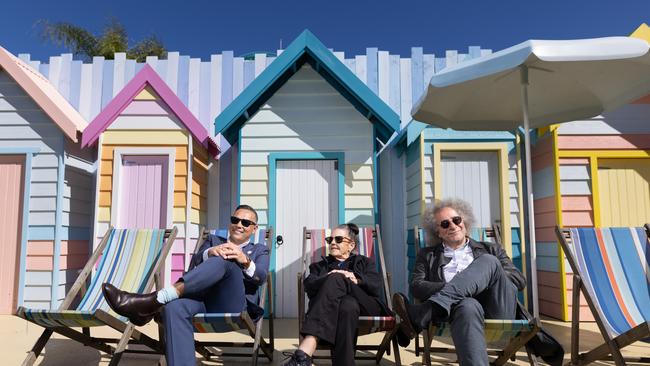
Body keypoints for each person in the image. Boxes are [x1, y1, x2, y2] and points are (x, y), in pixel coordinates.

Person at [102, 204, 270, 366]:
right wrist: (208, 253)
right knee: (173, 308)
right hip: (202, 302)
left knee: (227, 258)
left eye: (246, 223)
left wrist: (243, 260)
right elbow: (194, 266)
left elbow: (261, 277)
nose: (239, 225)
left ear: (254, 229)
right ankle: (159, 304)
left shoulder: (259, 250)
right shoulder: (212, 240)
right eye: (235, 220)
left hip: (232, 303)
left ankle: (154, 300)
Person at [393, 198, 525, 366]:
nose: (453, 226)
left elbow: (518, 280)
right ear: (438, 232)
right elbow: (417, 286)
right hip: (459, 310)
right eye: (445, 224)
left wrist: (481, 278)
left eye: (456, 220)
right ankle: (428, 311)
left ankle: (423, 313)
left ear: (464, 221)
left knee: (489, 262)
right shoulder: (428, 255)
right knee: (467, 305)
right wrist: (460, 286)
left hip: (498, 307)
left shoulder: (491, 249)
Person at [283, 223, 390, 366]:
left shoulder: (364, 262)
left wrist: (354, 279)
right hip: (345, 310)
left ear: (351, 245)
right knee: (347, 305)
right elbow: (309, 285)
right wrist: (329, 278)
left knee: (337, 278)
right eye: (330, 240)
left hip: (367, 306)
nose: (332, 243)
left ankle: (306, 349)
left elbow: (376, 285)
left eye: (338, 239)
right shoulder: (319, 266)